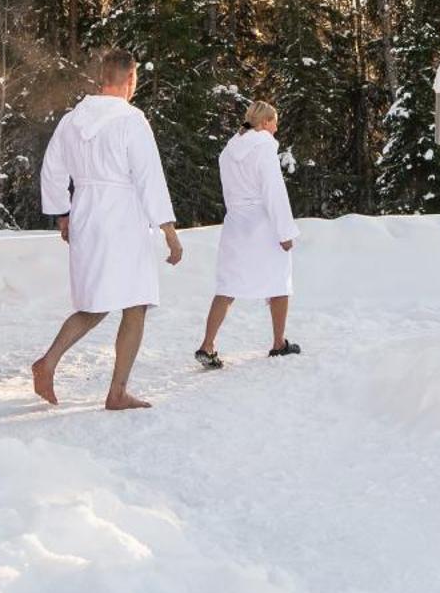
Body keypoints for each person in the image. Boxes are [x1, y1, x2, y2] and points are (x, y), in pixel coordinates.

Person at [32, 47, 183, 411]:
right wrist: (169, 230)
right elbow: (149, 178)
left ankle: (48, 361)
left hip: (86, 211)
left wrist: (63, 214)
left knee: (94, 302)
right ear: (131, 78)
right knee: (135, 302)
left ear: (103, 76)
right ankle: (117, 391)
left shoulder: (72, 120)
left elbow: (51, 170)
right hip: (122, 217)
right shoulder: (132, 121)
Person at [196, 100, 299, 368]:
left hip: (236, 223)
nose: (276, 128)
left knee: (227, 284)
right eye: (274, 122)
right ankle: (279, 343)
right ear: (264, 123)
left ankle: (207, 345)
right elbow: (273, 192)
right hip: (262, 223)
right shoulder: (264, 148)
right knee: (279, 279)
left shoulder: (228, 152)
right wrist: (284, 231)